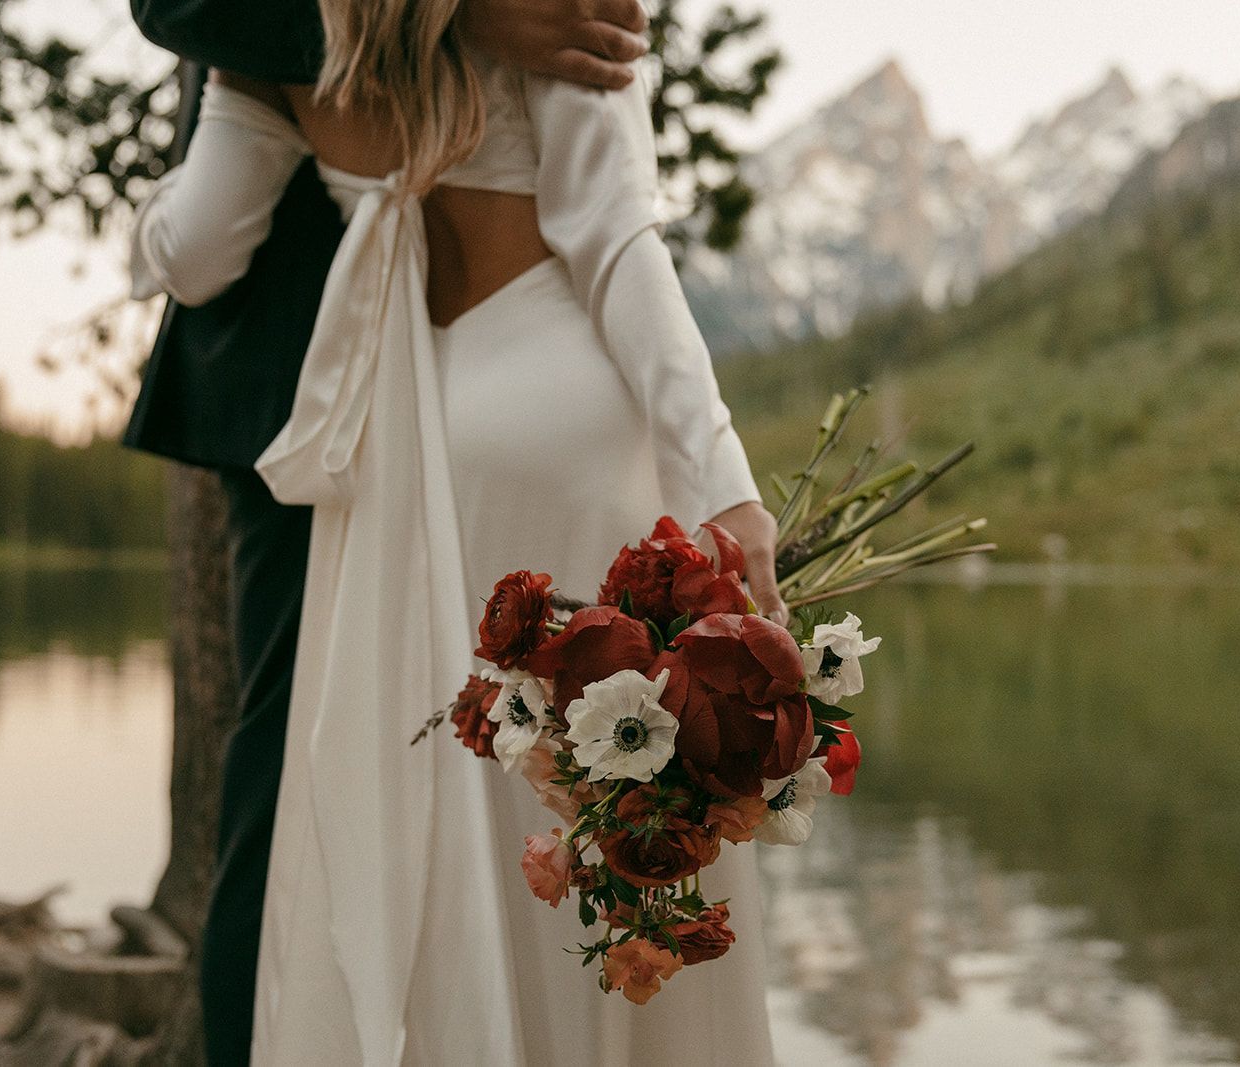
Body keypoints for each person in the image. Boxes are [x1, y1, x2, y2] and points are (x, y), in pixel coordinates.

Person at [129, 0, 785, 1060]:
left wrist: (141, 230)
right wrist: (722, 478)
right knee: (630, 810)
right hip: (563, 416)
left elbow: (194, 247)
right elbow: (616, 241)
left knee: (470, 830)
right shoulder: (554, 13)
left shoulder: (293, 34)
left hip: (423, 435)